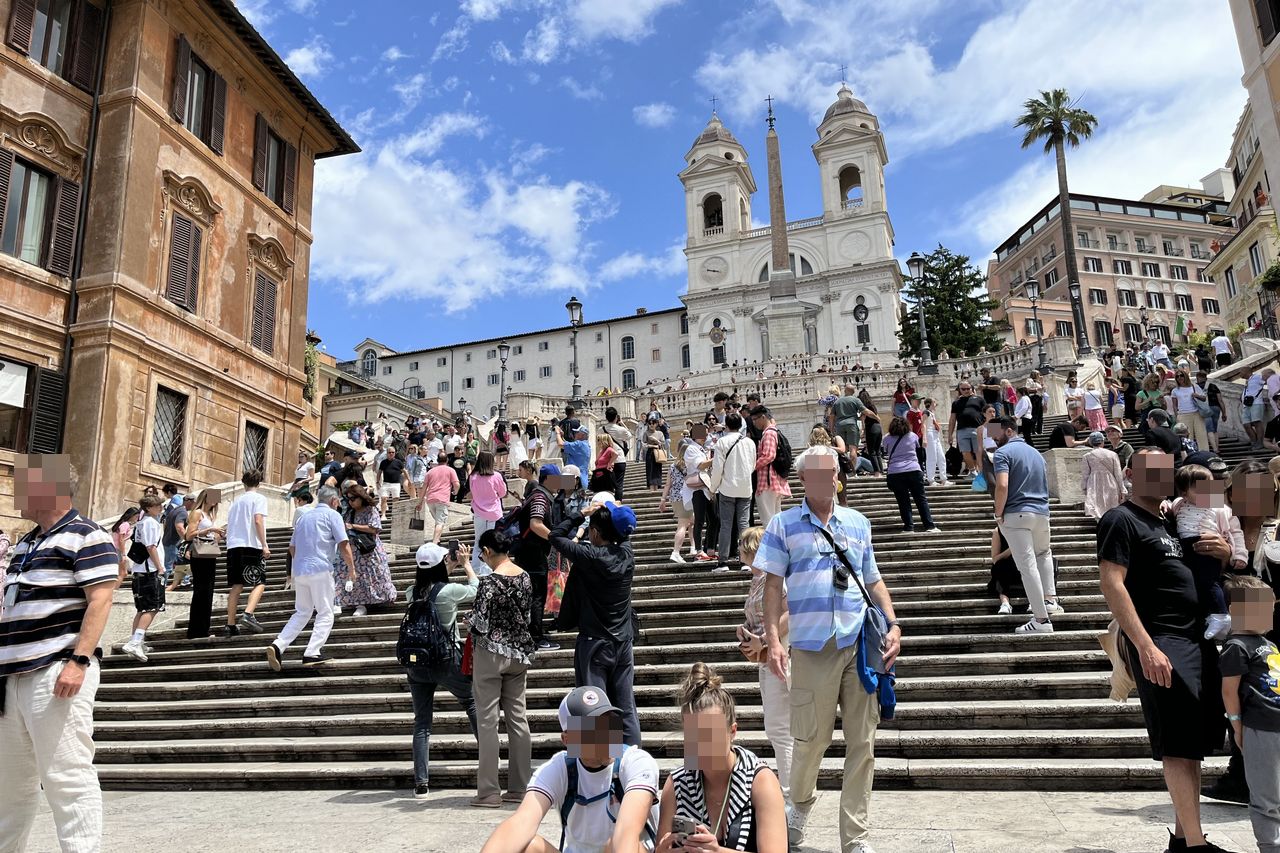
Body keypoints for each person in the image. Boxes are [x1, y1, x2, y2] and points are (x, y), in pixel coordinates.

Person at [758, 446, 901, 851]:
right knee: (810, 741)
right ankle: (800, 805)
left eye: (832, 472)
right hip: (811, 645)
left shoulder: (857, 523)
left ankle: (856, 837)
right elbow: (772, 587)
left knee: (863, 743)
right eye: (817, 473)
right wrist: (773, 640)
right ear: (803, 479)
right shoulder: (783, 525)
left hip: (858, 644)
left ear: (838, 475)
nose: (826, 480)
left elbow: (872, 580)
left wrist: (892, 624)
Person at [1096, 448, 1227, 852]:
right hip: (1162, 640)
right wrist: (1146, 646)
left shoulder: (1171, 520)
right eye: (1149, 470)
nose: (1158, 476)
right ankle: (1197, 845)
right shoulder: (1120, 519)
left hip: (1195, 639)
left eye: (1164, 471)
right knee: (1176, 743)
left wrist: (1223, 552)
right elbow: (1112, 584)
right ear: (1131, 473)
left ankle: (1185, 838)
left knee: (1192, 743)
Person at [0, 455, 119, 852]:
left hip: (56, 670)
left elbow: (101, 599)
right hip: (12, 679)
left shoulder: (89, 535)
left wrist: (79, 661)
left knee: (67, 777)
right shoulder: (26, 543)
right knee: (9, 787)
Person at [482, 686, 660, 853]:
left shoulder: (636, 762)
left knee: (615, 843)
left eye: (609, 722)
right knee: (526, 845)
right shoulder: (560, 767)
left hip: (623, 849)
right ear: (567, 740)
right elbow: (521, 822)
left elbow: (627, 831)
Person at [655, 663, 789, 853]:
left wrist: (717, 851)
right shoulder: (678, 782)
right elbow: (662, 846)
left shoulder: (760, 780)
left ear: (732, 731)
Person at [549, 501, 642, 745]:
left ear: (596, 533)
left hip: (594, 644)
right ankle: (633, 764)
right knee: (626, 707)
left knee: (592, 709)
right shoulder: (627, 554)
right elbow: (622, 533)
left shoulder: (590, 555)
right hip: (623, 643)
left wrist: (582, 514)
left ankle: (598, 771)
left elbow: (555, 536)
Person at [404, 541, 479, 798]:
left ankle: (421, 783)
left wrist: (446, 565)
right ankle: (491, 761)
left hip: (417, 664)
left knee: (422, 723)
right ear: (441, 564)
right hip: (446, 660)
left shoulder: (410, 592)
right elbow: (476, 588)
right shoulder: (448, 592)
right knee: (471, 703)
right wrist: (466, 564)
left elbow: (428, 580)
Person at [470, 528, 535, 809]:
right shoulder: (525, 577)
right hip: (519, 652)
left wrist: (467, 621)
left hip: (490, 653)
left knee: (487, 721)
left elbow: (479, 623)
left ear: (486, 552)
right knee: (518, 719)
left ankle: (489, 792)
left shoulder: (487, 582)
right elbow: (528, 615)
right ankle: (520, 787)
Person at [1218, 575, 1280, 853]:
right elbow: (1229, 692)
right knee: (1266, 796)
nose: (1271, 613)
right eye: (1264, 608)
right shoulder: (1236, 646)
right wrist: (1238, 727)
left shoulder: (1268, 644)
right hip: (1260, 728)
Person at [735, 526, 794, 816]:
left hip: (778, 654)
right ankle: (791, 792)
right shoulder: (758, 579)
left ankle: (790, 796)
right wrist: (748, 636)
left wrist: (764, 640)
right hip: (765, 655)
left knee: (779, 728)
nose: (741, 553)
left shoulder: (775, 579)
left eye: (745, 548)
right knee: (777, 727)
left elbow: (790, 613)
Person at [268, 485, 355, 670]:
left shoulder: (303, 517)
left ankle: (278, 645)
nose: (339, 504)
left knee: (302, 612)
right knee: (325, 611)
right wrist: (351, 569)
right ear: (333, 501)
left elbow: (291, 548)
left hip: (300, 570)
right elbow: (344, 544)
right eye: (338, 501)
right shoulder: (333, 515)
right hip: (321, 568)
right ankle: (312, 652)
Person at [991, 417, 1062, 634]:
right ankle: (1050, 600)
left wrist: (998, 512)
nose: (993, 437)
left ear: (1009, 431)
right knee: (1044, 554)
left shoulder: (1002, 453)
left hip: (1016, 512)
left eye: (996, 432)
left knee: (1027, 565)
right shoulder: (1036, 454)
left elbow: (1002, 485)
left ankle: (1041, 620)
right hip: (1041, 512)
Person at [1172, 465, 1246, 641]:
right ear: (1184, 493)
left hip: (1209, 547)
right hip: (1186, 547)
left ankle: (1221, 615)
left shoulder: (1220, 508)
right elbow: (1169, 510)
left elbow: (1235, 532)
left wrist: (1239, 554)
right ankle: (1209, 615)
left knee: (1209, 582)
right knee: (1194, 583)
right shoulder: (1179, 504)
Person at [513, 464, 561, 651]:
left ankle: (532, 632)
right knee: (537, 595)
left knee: (532, 594)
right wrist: (555, 539)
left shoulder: (537, 494)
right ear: (548, 480)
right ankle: (536, 637)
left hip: (528, 552)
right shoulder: (541, 497)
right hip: (532, 554)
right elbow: (535, 523)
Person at [337, 485, 397, 618]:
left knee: (377, 573)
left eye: (353, 498)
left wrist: (353, 526)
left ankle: (382, 598)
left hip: (370, 549)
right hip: (355, 551)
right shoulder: (349, 513)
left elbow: (375, 528)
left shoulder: (371, 510)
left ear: (361, 497)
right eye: (349, 499)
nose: (350, 502)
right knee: (358, 577)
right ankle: (360, 604)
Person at [223, 469, 270, 636]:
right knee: (260, 582)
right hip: (250, 545)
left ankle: (230, 624)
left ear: (243, 482)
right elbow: (258, 520)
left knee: (237, 585)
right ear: (259, 483)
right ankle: (248, 614)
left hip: (233, 546)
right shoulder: (259, 498)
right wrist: (264, 544)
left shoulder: (235, 502)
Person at [119, 495, 165, 662]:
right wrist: (160, 567)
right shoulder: (151, 523)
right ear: (148, 508)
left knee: (143, 608)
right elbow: (151, 546)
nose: (160, 508)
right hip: (150, 570)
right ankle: (135, 642)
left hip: (141, 569)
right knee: (153, 607)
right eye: (157, 506)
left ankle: (136, 641)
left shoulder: (141, 523)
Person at [709, 412, 755, 571]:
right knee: (744, 524)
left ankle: (723, 562)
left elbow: (717, 468)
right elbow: (753, 465)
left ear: (726, 425)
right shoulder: (749, 442)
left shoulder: (721, 442)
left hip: (727, 487)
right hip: (745, 487)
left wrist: (712, 488)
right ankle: (746, 561)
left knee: (726, 525)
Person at [883, 416, 940, 534]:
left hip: (896, 472)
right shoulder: (913, 436)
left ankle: (909, 527)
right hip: (913, 469)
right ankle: (930, 525)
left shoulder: (887, 438)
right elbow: (917, 449)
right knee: (921, 499)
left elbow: (885, 450)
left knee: (903, 501)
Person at [182, 488, 224, 641]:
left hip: (208, 553)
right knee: (201, 590)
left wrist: (218, 534)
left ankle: (203, 628)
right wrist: (210, 529)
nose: (214, 501)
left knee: (208, 591)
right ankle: (195, 630)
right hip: (199, 554)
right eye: (212, 498)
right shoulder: (197, 512)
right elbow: (189, 535)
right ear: (205, 497)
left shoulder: (210, 515)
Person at [750, 406, 792, 527]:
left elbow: (768, 455)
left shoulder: (768, 433)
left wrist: (752, 467)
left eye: (755, 419)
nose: (753, 423)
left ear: (763, 417)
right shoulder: (774, 432)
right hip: (775, 481)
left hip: (767, 482)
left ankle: (771, 544)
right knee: (776, 519)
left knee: (768, 520)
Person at [469, 451, 508, 575]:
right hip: (494, 513)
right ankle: (488, 568)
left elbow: (472, 493)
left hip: (479, 512)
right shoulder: (496, 475)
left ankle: (475, 568)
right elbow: (502, 493)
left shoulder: (473, 476)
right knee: (492, 541)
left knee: (478, 540)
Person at [684, 426, 718, 562]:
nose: (704, 437)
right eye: (701, 434)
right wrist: (716, 459)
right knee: (700, 520)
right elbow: (700, 465)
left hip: (707, 485)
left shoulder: (701, 448)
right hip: (697, 487)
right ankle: (699, 551)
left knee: (714, 518)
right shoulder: (691, 448)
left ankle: (710, 548)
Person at [659, 435, 694, 563]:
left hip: (675, 497)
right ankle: (676, 552)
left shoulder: (673, 466)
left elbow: (668, 484)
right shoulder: (690, 466)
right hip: (687, 496)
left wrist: (663, 500)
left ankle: (693, 547)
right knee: (683, 525)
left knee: (690, 522)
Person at [1082, 431, 1125, 521]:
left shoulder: (1087, 456)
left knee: (1097, 505)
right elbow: (1118, 473)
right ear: (1102, 441)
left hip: (1094, 483)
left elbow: (1085, 474)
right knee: (1111, 505)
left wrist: (1084, 488)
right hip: (1110, 481)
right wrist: (1121, 488)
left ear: (1090, 442)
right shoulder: (1112, 454)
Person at [947, 381, 986, 478]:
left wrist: (995, 432)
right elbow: (952, 419)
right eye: (963, 389)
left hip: (977, 429)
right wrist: (949, 435)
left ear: (972, 389)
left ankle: (980, 471)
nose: (966, 391)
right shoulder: (956, 403)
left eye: (968, 388)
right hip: (962, 430)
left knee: (978, 451)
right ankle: (972, 471)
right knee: (965, 452)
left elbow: (989, 413)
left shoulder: (979, 400)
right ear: (959, 390)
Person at [1169, 370, 1210, 452]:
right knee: (1187, 436)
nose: (1179, 377)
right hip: (1183, 414)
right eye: (1177, 376)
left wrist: (1196, 395)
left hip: (1196, 413)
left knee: (1201, 434)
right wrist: (1177, 416)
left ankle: (1204, 452)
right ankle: (1189, 453)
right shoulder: (1175, 390)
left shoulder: (1194, 386)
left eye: (1181, 375)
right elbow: (1174, 405)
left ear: (1185, 376)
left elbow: (1204, 398)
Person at [422, 457, 460, 545]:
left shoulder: (430, 471)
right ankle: (434, 542)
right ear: (447, 460)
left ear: (438, 460)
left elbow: (424, 487)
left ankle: (437, 539)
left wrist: (420, 501)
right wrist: (455, 492)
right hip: (442, 499)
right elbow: (456, 484)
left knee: (438, 521)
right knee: (440, 522)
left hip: (430, 500)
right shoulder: (450, 470)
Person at [827, 383, 866, 464]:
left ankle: (844, 470)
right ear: (853, 391)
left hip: (840, 426)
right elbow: (865, 412)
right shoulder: (855, 400)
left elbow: (831, 417)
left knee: (842, 449)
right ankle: (853, 471)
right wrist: (876, 417)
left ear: (845, 391)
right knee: (853, 449)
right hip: (851, 425)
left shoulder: (838, 401)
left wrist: (831, 430)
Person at [988, 527, 1023, 615]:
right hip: (1007, 571)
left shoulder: (1028, 527)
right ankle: (1005, 603)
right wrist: (1011, 549)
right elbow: (995, 559)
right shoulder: (998, 531)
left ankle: (1035, 601)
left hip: (1025, 567)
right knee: (999, 565)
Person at [161, 493, 191, 590]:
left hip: (167, 541)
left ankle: (185, 580)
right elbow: (179, 527)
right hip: (173, 543)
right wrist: (187, 539)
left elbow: (165, 525)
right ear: (188, 501)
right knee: (170, 566)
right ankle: (162, 585)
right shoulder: (182, 512)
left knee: (177, 563)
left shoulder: (173, 511)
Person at [603, 407, 632, 501]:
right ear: (616, 417)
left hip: (607, 460)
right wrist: (622, 423)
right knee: (619, 485)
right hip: (619, 459)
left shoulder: (601, 429)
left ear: (606, 417)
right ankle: (618, 504)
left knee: (608, 485)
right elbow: (629, 435)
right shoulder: (620, 430)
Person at [921, 398, 948, 486]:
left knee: (941, 457)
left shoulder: (932, 413)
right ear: (931, 403)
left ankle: (944, 479)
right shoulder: (926, 412)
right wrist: (924, 438)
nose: (936, 404)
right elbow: (923, 424)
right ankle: (931, 480)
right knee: (931, 457)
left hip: (935, 435)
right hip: (929, 434)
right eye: (934, 402)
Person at [1197, 370, 1223, 454]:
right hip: (1216, 408)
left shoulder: (1196, 387)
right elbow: (1220, 400)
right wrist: (1224, 412)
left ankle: (1215, 449)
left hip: (1205, 409)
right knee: (1215, 429)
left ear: (1198, 377)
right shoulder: (1213, 386)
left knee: (1209, 429)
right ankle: (1217, 447)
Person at [858, 390, 883, 475]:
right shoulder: (872, 405)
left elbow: (863, 418)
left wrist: (863, 430)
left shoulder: (864, 407)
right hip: (878, 427)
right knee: (878, 451)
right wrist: (877, 419)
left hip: (871, 428)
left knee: (871, 451)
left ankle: (877, 472)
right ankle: (881, 470)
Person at [642, 417, 665, 491]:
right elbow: (644, 445)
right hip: (650, 453)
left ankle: (657, 486)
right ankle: (651, 488)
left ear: (656, 424)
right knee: (650, 470)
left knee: (657, 470)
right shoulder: (646, 433)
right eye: (650, 423)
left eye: (653, 423)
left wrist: (656, 441)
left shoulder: (660, 433)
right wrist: (652, 445)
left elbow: (663, 444)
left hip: (658, 452)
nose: (651, 425)